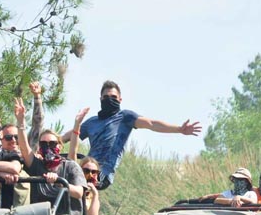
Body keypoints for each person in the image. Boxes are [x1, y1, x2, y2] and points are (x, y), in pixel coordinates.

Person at [60, 80, 202, 189]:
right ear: (100, 99)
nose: (110, 99)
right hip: (87, 166)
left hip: (102, 173)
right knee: (65, 176)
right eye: (106, 97)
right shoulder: (92, 122)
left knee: (84, 184)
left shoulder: (125, 117)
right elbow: (68, 137)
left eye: (113, 97)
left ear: (120, 100)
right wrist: (49, 142)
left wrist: (179, 129)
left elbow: (151, 124)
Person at [14, 98, 86, 215]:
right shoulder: (37, 165)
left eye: (52, 143)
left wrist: (59, 182)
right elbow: (24, 148)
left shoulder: (70, 166)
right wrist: (21, 122)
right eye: (43, 144)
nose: (48, 147)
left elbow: (79, 192)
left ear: (59, 145)